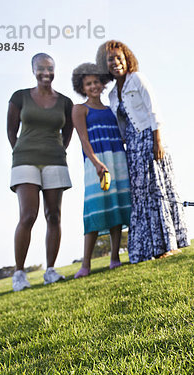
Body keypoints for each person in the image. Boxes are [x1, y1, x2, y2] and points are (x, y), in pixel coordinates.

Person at [96, 40, 189, 263]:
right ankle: (149, 248)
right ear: (105, 64)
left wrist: (158, 141)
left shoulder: (137, 79)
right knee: (140, 195)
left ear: (127, 59)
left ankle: (168, 244)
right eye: (111, 60)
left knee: (157, 189)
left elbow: (153, 109)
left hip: (150, 137)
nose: (116, 63)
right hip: (133, 147)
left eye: (119, 58)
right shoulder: (111, 95)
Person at [7, 53, 73, 291]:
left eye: (50, 68)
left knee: (54, 215)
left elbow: (68, 133)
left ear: (55, 70)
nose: (46, 73)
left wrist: (58, 152)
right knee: (28, 215)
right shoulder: (20, 97)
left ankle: (50, 271)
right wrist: (22, 152)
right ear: (33, 70)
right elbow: (11, 130)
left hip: (55, 160)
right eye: (41, 68)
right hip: (25, 160)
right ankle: (19, 274)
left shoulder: (65, 102)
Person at [70, 63, 132, 278]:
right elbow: (84, 141)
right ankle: (85, 264)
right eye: (88, 84)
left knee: (116, 209)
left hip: (118, 161)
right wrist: (96, 163)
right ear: (82, 87)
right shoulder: (80, 109)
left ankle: (115, 258)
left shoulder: (110, 109)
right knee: (94, 212)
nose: (94, 86)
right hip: (96, 163)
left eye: (96, 82)